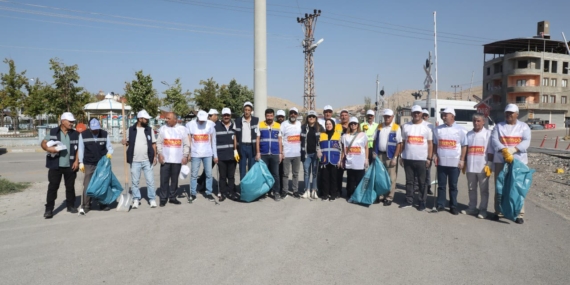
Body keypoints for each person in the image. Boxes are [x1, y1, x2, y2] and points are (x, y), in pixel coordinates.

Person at [491, 104, 531, 224]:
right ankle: (499, 211)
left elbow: (526, 141)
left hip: (518, 162)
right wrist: (504, 150)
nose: (508, 115)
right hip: (501, 160)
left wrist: (514, 150)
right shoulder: (498, 126)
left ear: (517, 114)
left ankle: (519, 213)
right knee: (500, 186)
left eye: (511, 113)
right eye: (507, 112)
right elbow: (494, 140)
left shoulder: (524, 127)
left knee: (517, 187)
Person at [41, 112, 80, 218]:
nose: (72, 124)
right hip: (55, 165)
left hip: (70, 165)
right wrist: (48, 148)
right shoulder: (53, 132)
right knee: (53, 187)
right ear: (63, 121)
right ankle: (49, 209)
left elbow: (78, 149)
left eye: (72, 122)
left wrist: (77, 161)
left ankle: (71, 206)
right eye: (70, 122)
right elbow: (43, 142)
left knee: (70, 187)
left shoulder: (75, 134)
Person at [433, 107, 468, 215]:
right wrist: (434, 154)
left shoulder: (461, 130)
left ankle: (453, 206)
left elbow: (464, 146)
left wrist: (462, 160)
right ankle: (440, 204)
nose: (443, 116)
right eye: (443, 114)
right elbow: (435, 144)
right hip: (442, 162)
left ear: (452, 116)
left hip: (454, 163)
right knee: (441, 185)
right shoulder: (438, 129)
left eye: (445, 114)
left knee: (453, 186)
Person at [400, 105, 433, 211]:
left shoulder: (428, 126)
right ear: (411, 114)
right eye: (414, 112)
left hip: (422, 159)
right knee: (409, 181)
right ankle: (409, 200)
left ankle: (422, 202)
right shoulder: (406, 126)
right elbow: (403, 142)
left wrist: (429, 158)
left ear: (422, 114)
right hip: (408, 158)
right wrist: (401, 156)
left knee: (422, 182)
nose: (416, 114)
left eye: (418, 113)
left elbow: (430, 143)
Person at [123, 110, 158, 209]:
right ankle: (136, 199)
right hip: (134, 161)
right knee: (135, 182)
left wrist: (154, 156)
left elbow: (153, 144)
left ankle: (152, 199)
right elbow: (128, 143)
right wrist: (124, 142)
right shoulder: (130, 130)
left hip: (147, 160)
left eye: (147, 119)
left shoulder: (149, 130)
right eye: (145, 119)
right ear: (139, 119)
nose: (147, 120)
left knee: (150, 181)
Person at [78, 118, 113, 214]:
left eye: (97, 128)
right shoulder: (83, 135)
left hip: (102, 163)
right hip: (89, 163)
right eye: (93, 129)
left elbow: (109, 147)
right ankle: (86, 204)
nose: (95, 130)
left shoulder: (104, 134)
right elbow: (81, 149)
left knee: (102, 183)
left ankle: (103, 203)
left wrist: (109, 154)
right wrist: (80, 162)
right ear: (89, 127)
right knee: (87, 184)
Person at [462, 113, 494, 219]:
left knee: (483, 190)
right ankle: (472, 208)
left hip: (483, 166)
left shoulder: (488, 134)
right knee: (471, 188)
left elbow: (490, 150)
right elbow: (466, 149)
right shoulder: (469, 134)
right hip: (471, 166)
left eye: (478, 121)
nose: (476, 123)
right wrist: (464, 162)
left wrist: (489, 163)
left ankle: (483, 210)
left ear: (483, 122)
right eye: (474, 121)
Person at [157, 112, 190, 207]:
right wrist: (159, 153)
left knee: (174, 180)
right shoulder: (163, 129)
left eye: (168, 118)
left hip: (177, 159)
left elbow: (186, 144)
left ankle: (172, 197)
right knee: (164, 180)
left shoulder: (182, 129)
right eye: (166, 118)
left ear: (175, 119)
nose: (166, 120)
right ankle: (163, 198)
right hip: (165, 159)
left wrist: (185, 156)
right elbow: (159, 143)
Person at [372, 109, 402, 206]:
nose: (387, 118)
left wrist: (395, 157)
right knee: (379, 176)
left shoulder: (396, 127)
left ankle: (389, 197)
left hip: (390, 156)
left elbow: (399, 144)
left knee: (391, 178)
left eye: (389, 116)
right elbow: (374, 140)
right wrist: (374, 151)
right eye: (385, 116)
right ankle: (380, 195)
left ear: (392, 117)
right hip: (380, 155)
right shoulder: (379, 127)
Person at [187, 110, 217, 202]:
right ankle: (193, 193)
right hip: (195, 154)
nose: (202, 122)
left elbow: (213, 141)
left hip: (207, 153)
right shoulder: (190, 124)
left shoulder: (211, 124)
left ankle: (208, 192)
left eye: (204, 120)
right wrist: (188, 152)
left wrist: (215, 155)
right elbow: (189, 139)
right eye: (201, 120)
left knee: (209, 174)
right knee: (194, 175)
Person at [255, 109, 283, 201]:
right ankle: (263, 192)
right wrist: (258, 152)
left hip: (275, 153)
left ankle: (276, 192)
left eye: (271, 116)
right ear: (265, 116)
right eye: (268, 116)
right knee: (263, 174)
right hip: (264, 154)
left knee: (275, 174)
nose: (269, 117)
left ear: (273, 116)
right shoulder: (260, 124)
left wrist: (280, 153)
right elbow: (258, 140)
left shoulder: (278, 126)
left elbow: (280, 140)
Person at [340, 117, 369, 200]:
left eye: (355, 124)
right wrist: (342, 159)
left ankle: (359, 195)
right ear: (349, 125)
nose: (353, 125)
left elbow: (366, 147)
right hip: (350, 162)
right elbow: (343, 149)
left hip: (360, 162)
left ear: (357, 125)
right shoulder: (345, 136)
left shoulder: (363, 135)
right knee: (350, 179)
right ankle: (350, 194)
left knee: (359, 180)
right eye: (351, 124)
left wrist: (366, 159)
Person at [214, 108, 239, 201]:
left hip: (232, 156)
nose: (226, 117)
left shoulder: (234, 126)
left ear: (230, 115)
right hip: (221, 156)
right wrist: (215, 156)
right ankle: (223, 193)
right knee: (222, 177)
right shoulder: (216, 127)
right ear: (222, 116)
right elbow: (213, 142)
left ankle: (231, 192)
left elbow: (236, 139)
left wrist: (236, 151)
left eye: (228, 115)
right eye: (224, 115)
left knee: (231, 176)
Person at [280, 107, 301, 199]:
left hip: (297, 154)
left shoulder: (300, 124)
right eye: (291, 113)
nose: (293, 114)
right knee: (285, 173)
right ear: (289, 114)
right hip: (287, 153)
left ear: (297, 115)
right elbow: (280, 138)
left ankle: (295, 191)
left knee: (295, 173)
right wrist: (282, 152)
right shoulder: (284, 124)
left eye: (295, 113)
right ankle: (284, 191)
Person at [300, 110, 323, 199]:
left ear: (316, 118)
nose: (311, 118)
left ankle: (314, 190)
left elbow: (323, 140)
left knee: (315, 173)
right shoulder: (303, 128)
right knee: (306, 172)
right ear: (307, 118)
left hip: (315, 154)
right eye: (310, 117)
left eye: (313, 117)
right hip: (306, 154)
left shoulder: (320, 128)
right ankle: (306, 190)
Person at [234, 101, 259, 181]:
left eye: (248, 110)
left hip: (252, 147)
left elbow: (258, 136)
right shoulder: (237, 121)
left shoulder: (256, 120)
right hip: (242, 147)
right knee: (242, 169)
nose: (247, 111)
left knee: (252, 169)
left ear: (251, 111)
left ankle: (250, 189)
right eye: (245, 110)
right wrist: (235, 150)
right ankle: (243, 189)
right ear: (243, 110)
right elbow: (234, 136)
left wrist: (258, 151)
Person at [197, 109, 219, 191]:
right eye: (209, 116)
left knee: (211, 169)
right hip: (208, 150)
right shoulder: (206, 124)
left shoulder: (218, 124)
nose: (209, 117)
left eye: (211, 115)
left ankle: (201, 180)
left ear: (216, 116)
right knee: (207, 169)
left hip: (217, 150)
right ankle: (203, 184)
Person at [319, 119, 341, 201]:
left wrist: (340, 160)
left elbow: (341, 148)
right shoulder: (322, 135)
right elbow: (318, 146)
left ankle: (333, 194)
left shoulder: (338, 135)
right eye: (327, 124)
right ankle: (325, 194)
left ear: (333, 125)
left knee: (334, 178)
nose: (328, 125)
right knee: (325, 178)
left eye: (330, 124)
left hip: (334, 160)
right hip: (324, 160)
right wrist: (319, 155)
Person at [336, 109, 350, 197]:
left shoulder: (352, 125)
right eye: (342, 115)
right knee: (339, 173)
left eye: (345, 115)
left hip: (350, 153)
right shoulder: (337, 126)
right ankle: (338, 191)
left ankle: (349, 191)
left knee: (350, 174)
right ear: (340, 117)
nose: (344, 117)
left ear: (348, 117)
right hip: (339, 152)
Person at [276, 110, 286, 197]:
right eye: (279, 116)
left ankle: (282, 189)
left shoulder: (286, 125)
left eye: (282, 116)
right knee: (275, 172)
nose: (280, 118)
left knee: (282, 172)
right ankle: (275, 188)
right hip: (276, 151)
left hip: (284, 151)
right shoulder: (275, 125)